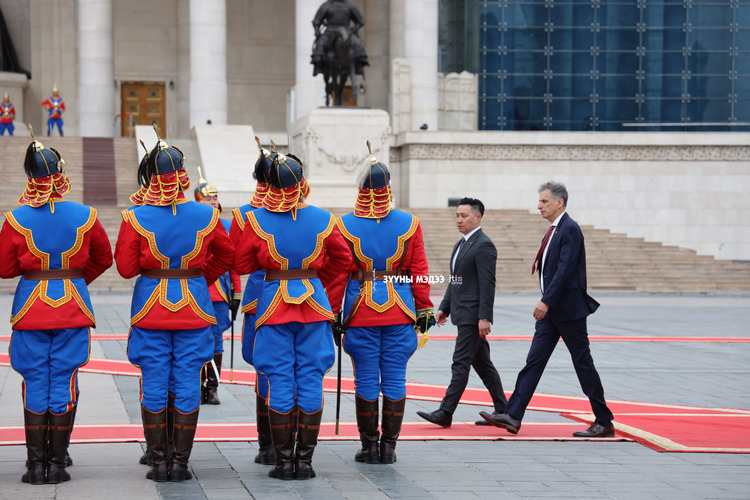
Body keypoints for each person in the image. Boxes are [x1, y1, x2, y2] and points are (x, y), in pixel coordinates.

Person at [114, 127, 234, 482]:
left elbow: (125, 269)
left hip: (150, 307)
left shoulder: (135, 216)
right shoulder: (206, 214)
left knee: (154, 381)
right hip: (194, 307)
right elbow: (226, 254)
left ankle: (159, 462)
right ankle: (179, 464)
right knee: (187, 380)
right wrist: (198, 279)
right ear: (182, 175)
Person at [0, 131, 113, 485]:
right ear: (60, 174)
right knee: (64, 378)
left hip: (31, 307)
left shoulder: (15, 218)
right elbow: (103, 258)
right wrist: (75, 281)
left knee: (35, 379)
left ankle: (36, 466)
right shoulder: (86, 214)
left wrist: (34, 272)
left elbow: (4, 268)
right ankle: (58, 462)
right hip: (72, 306)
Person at [233, 150, 351, 480]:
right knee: (311, 377)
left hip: (273, 306)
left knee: (279, 378)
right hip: (314, 303)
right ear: (301, 182)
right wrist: (316, 281)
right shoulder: (324, 218)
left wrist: (271, 269)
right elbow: (343, 260)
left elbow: (241, 263)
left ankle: (284, 462)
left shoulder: (257, 219)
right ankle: (306, 462)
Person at [479, 181, 615, 438]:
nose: (539, 206)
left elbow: (565, 271)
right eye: (539, 201)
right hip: (552, 313)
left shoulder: (570, 229)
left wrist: (546, 301)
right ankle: (513, 415)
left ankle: (604, 421)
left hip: (568, 311)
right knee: (534, 362)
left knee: (582, 363)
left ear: (559, 202)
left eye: (544, 201)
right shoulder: (554, 230)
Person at [335, 142, 434, 464]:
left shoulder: (343, 224)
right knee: (394, 378)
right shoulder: (410, 223)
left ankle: (369, 446)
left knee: (365, 379)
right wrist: (424, 308)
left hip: (360, 310)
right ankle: (389, 447)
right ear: (388, 186)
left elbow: (338, 275)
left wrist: (333, 312)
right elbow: (419, 271)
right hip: (400, 310)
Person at [417, 197, 507, 428]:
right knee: (483, 364)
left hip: (473, 316)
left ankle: (445, 412)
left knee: (460, 362)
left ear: (478, 217)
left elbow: (488, 284)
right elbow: (456, 281)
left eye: (464, 216)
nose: (459, 220)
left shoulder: (484, 245)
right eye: (457, 215)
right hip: (462, 313)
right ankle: (504, 411)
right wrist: (444, 308)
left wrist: (485, 317)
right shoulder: (461, 245)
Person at [228, 138, 277, 466]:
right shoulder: (310, 215)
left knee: (264, 369)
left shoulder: (244, 215)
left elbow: (234, 261)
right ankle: (291, 441)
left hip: (260, 298)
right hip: (303, 301)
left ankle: (268, 444)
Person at [194, 167, 241, 405]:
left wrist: (237, 292)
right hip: (196, 287)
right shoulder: (191, 222)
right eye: (208, 198)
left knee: (216, 339)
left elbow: (232, 261)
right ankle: (195, 385)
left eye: (215, 197)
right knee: (194, 340)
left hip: (219, 291)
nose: (213, 201)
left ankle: (212, 387)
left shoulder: (227, 225)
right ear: (198, 201)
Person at [311, 0, 369, 76]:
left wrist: (354, 29)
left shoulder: (350, 6)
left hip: (346, 31)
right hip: (330, 31)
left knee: (358, 44)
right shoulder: (326, 5)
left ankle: (360, 64)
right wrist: (317, 31)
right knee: (320, 44)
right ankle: (318, 64)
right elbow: (316, 21)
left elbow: (361, 21)